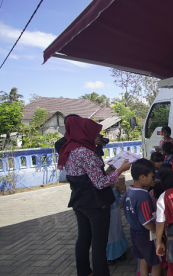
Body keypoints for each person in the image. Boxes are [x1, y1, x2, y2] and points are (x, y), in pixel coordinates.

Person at [57, 116, 131, 276]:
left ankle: (84, 272)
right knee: (99, 245)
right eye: (92, 132)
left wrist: (106, 172)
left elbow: (87, 177)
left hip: (79, 202)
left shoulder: (69, 149)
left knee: (83, 239)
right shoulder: (86, 153)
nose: (95, 136)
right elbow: (99, 183)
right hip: (96, 205)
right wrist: (120, 170)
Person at [124, 159, 161, 276]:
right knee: (156, 262)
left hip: (134, 232)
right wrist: (158, 230)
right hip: (145, 235)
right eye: (151, 176)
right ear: (142, 177)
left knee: (143, 260)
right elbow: (146, 221)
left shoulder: (130, 192)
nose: (153, 178)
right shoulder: (143, 196)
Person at [107, 184, 129, 265]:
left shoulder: (114, 191)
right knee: (109, 235)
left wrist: (121, 193)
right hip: (105, 216)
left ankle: (120, 252)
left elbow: (119, 200)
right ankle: (110, 256)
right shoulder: (101, 192)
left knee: (117, 232)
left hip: (115, 215)